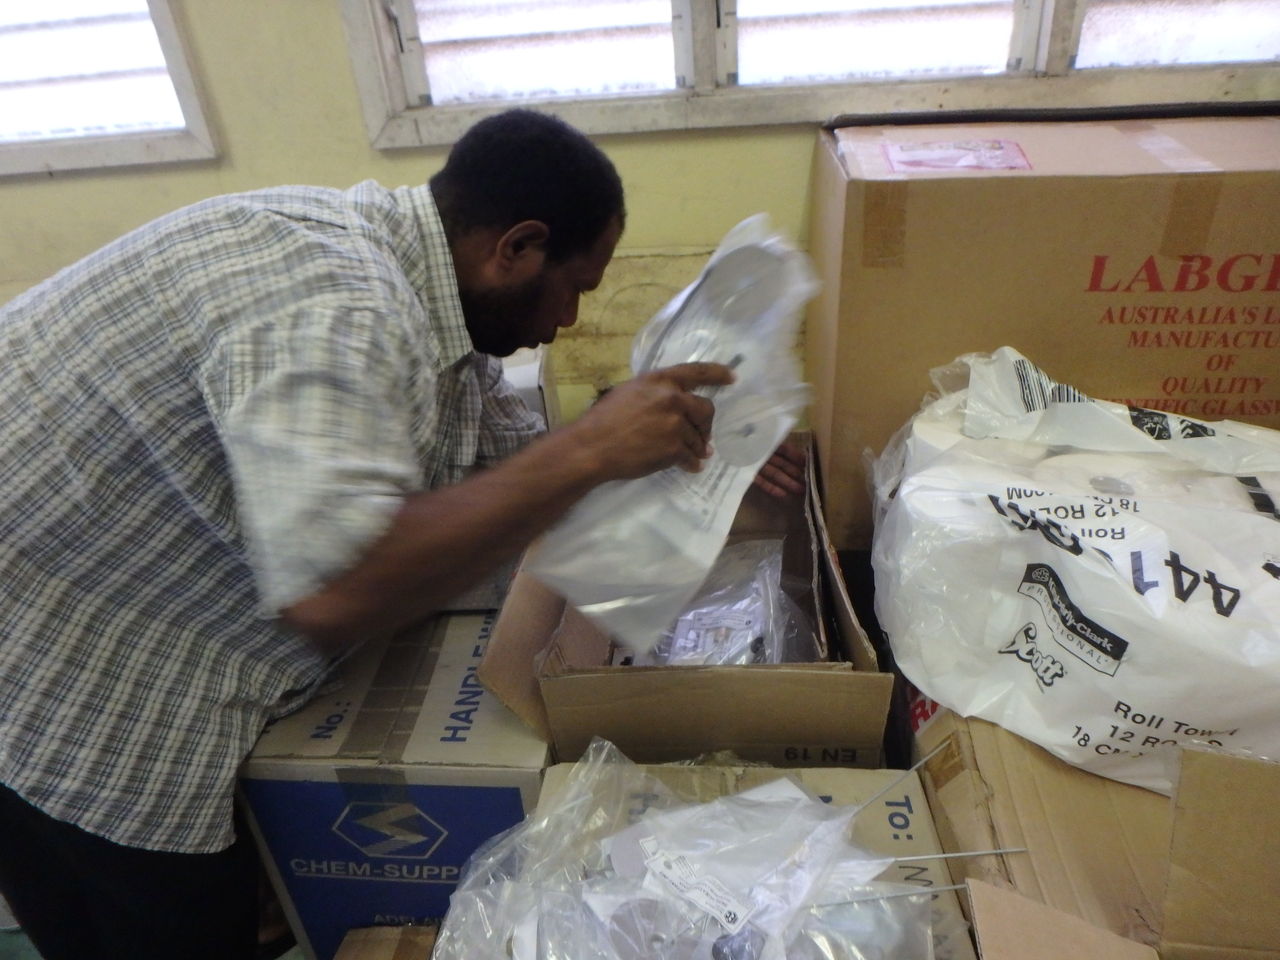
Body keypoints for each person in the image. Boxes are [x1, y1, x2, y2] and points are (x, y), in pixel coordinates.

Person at [0, 108, 803, 960]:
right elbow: (336, 587)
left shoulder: (434, 308)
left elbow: (512, 475)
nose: (568, 320)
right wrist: (589, 449)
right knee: (169, 931)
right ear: (516, 248)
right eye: (575, 288)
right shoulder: (338, 303)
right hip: (62, 675)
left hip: (134, 610)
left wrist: (686, 447)